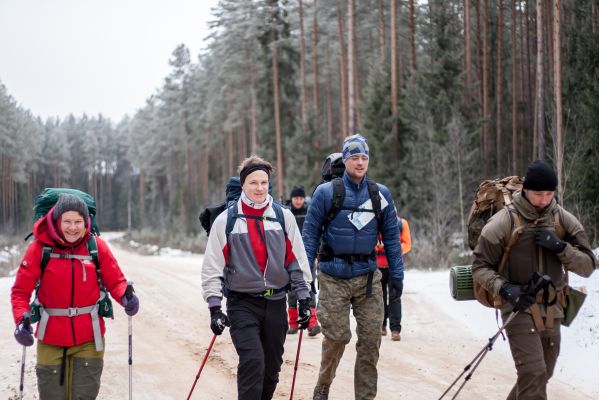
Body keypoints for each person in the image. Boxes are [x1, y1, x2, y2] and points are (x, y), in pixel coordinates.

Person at [472, 160, 597, 400]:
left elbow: (589, 265)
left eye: (549, 194)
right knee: (533, 371)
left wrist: (561, 247)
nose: (544, 199)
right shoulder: (503, 221)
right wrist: (506, 289)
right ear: (526, 189)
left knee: (541, 375)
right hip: (518, 306)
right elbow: (479, 267)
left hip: (553, 308)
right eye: (538, 193)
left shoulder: (562, 219)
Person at [201, 155, 313, 400]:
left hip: (276, 303)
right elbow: (212, 267)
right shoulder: (226, 221)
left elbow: (296, 260)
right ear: (243, 185)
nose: (260, 188)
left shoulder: (283, 217)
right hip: (242, 304)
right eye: (253, 182)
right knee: (253, 361)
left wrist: (304, 298)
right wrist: (214, 307)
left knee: (271, 369)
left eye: (264, 182)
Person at [302, 134, 404, 400]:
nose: (360, 163)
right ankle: (324, 384)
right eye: (354, 157)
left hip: (368, 278)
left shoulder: (380, 194)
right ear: (345, 159)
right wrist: (303, 279)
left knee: (371, 342)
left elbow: (392, 237)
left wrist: (398, 275)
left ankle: (365, 397)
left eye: (364, 158)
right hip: (332, 276)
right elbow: (310, 235)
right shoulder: (327, 193)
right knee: (337, 337)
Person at [11, 193, 139, 399]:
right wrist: (21, 320)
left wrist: (126, 297)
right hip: (50, 339)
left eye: (78, 221)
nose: (73, 227)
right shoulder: (39, 249)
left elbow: (116, 281)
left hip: (89, 339)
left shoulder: (96, 247)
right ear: (56, 220)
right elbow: (20, 292)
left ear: (86, 221)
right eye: (67, 221)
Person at [285, 185, 321, 336]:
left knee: (309, 286)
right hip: (289, 256)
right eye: (295, 198)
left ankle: (312, 323)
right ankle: (293, 323)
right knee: (292, 290)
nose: (298, 201)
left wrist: (317, 253)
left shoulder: (310, 212)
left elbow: (316, 233)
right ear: (292, 198)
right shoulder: (285, 213)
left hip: (307, 256)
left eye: (300, 198)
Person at [376, 216, 411, 341]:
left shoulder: (402, 224)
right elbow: (369, 242)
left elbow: (407, 244)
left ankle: (395, 330)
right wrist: (377, 246)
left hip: (394, 266)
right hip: (378, 266)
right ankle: (382, 325)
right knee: (379, 297)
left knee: (395, 297)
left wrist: (393, 248)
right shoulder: (375, 222)